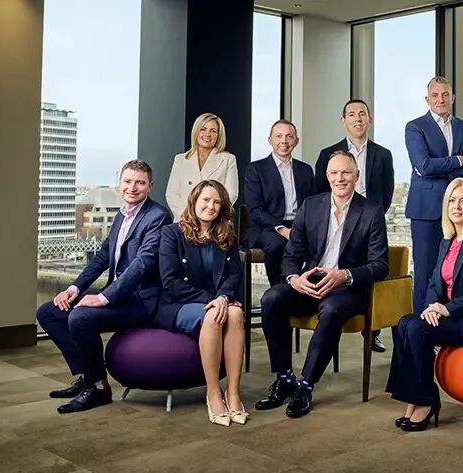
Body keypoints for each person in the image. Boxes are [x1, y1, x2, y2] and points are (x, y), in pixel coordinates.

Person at [255, 151, 388, 418]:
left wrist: (344, 275)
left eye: (346, 173)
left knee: (331, 309)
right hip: (311, 282)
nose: (340, 178)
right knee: (272, 298)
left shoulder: (371, 211)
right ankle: (284, 378)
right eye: (334, 173)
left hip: (347, 288)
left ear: (356, 176)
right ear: (327, 176)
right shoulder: (311, 206)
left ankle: (305, 385)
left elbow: (380, 265)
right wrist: (294, 279)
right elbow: (291, 255)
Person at [36, 160, 172, 413]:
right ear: (119, 183)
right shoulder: (121, 215)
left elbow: (142, 264)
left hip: (140, 301)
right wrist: (75, 288)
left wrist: (102, 298)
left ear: (150, 186)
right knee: (48, 313)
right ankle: (87, 376)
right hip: (117, 294)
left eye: (140, 183)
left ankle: (98, 388)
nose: (132, 187)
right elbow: (102, 257)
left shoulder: (159, 217)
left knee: (80, 318)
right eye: (127, 181)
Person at [386, 178, 463, 431]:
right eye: (452, 200)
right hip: (450, 315)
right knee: (404, 323)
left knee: (417, 329)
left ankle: (425, 401)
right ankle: (415, 396)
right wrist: (432, 306)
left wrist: (446, 308)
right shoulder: (448, 241)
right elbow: (434, 283)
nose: (457, 206)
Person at [155, 180, 247, 426]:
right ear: (194, 200)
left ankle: (233, 393)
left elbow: (234, 275)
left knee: (236, 315)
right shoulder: (172, 233)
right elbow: (170, 282)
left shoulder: (227, 236)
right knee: (214, 316)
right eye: (206, 200)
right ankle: (213, 393)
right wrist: (213, 301)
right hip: (180, 303)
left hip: (219, 300)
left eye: (217, 202)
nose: (211, 206)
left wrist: (223, 298)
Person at [315, 99, 396, 352]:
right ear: (343, 120)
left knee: (371, 270)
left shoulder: (383, 154)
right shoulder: (328, 154)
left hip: (368, 225)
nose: (357, 118)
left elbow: (386, 193)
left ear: (369, 120)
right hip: (337, 223)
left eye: (362, 114)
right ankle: (330, 322)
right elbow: (320, 193)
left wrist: (371, 218)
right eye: (351, 114)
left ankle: (372, 330)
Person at [405, 76, 463, 314]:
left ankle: (449, 324)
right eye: (435, 95)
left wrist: (441, 170)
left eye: (445, 95)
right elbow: (424, 165)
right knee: (426, 272)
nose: (441, 99)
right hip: (426, 210)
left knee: (457, 271)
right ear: (427, 99)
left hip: (459, 210)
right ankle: (422, 324)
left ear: (453, 98)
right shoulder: (415, 127)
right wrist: (457, 161)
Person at [243, 120, 314, 285]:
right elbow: (255, 210)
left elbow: (312, 205)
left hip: (298, 224)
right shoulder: (256, 169)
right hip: (265, 227)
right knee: (277, 244)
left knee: (317, 242)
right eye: (279, 136)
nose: (284, 141)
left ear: (296, 141)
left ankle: (306, 288)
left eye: (289, 136)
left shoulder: (305, 170)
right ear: (270, 140)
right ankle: (279, 289)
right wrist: (283, 230)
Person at [166, 113, 238, 220]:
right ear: (196, 131)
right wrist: (188, 217)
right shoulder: (180, 159)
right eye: (203, 129)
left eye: (213, 131)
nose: (207, 134)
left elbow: (231, 194)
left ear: (219, 135)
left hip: (215, 220)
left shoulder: (228, 159)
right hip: (184, 220)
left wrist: (208, 216)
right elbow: (172, 194)